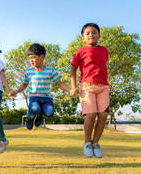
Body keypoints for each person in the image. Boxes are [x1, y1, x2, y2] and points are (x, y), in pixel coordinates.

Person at [70, 23, 110, 158]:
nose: (91, 35)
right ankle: (87, 143)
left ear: (99, 35)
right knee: (91, 115)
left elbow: (102, 65)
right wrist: (73, 86)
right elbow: (73, 69)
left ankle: (96, 143)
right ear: (83, 38)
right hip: (87, 86)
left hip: (103, 87)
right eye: (87, 33)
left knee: (103, 116)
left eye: (94, 32)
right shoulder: (80, 51)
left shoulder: (104, 50)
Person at [10, 43, 72, 130]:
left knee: (50, 113)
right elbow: (24, 84)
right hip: (34, 97)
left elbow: (60, 84)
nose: (31, 60)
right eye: (29, 58)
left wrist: (70, 90)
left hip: (46, 98)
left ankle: (40, 115)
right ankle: (29, 117)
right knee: (35, 108)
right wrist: (16, 91)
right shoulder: (28, 71)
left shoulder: (50, 70)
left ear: (42, 57)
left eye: (33, 57)